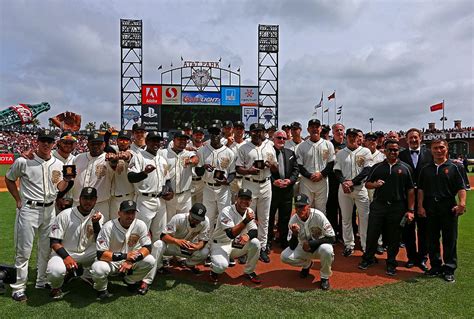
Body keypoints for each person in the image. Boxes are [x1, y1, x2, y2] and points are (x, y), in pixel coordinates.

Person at [5, 129, 72, 302]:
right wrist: (18, 199)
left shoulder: (58, 164)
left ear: (53, 144)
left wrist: (68, 180)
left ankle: (41, 281)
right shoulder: (23, 161)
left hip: (49, 211)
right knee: (24, 250)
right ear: (37, 141)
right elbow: (9, 178)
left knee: (45, 249)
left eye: (49, 141)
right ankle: (19, 287)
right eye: (43, 140)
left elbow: (59, 188)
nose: (46, 144)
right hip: (29, 209)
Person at [358, 140, 415, 276]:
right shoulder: (378, 167)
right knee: (372, 233)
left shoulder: (406, 168)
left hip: (397, 206)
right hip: (379, 205)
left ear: (398, 151)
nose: (393, 152)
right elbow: (367, 184)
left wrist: (410, 210)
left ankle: (391, 262)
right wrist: (375, 184)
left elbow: (411, 190)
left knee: (394, 237)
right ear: (385, 150)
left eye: (395, 150)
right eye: (390, 150)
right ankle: (368, 258)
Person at [418, 139, 467, 283]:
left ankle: (449, 268)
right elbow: (420, 189)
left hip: (448, 207)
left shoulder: (455, 166)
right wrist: (420, 206)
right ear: (431, 150)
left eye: (441, 147)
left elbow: (461, 187)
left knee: (449, 239)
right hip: (430, 206)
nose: (438, 150)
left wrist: (462, 204)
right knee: (432, 238)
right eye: (435, 148)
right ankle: (435, 267)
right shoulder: (425, 169)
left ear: (447, 149)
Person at [46, 187, 103, 299]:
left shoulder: (98, 216)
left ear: (95, 200)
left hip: (86, 253)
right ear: (79, 199)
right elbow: (54, 242)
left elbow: (100, 241)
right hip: (64, 253)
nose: (88, 202)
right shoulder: (65, 215)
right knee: (55, 272)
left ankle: (87, 275)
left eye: (91, 199)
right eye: (85, 198)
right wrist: (66, 257)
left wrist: (96, 223)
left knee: (104, 253)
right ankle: (56, 287)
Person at [91, 200, 155, 299]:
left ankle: (130, 280)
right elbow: (101, 254)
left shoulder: (140, 224)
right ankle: (101, 290)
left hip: (130, 260)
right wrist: (125, 256)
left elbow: (147, 248)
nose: (130, 216)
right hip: (110, 261)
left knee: (150, 260)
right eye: (126, 213)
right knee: (98, 268)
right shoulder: (108, 226)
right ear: (119, 213)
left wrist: (130, 260)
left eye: (132, 213)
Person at [236, 123, 278, 263]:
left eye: (259, 131)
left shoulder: (269, 147)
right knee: (247, 217)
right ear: (250, 133)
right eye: (254, 131)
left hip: (266, 184)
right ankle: (244, 248)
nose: (256, 133)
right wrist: (249, 170)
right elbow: (238, 169)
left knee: (264, 218)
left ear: (263, 133)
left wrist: (270, 165)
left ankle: (262, 248)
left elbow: (276, 169)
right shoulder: (244, 147)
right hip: (250, 183)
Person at [280, 194, 335, 290]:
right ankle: (307, 264)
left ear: (308, 206)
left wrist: (312, 244)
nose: (300, 209)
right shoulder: (293, 220)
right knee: (284, 256)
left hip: (319, 248)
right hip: (303, 249)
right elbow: (292, 247)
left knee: (328, 249)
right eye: (297, 206)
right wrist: (294, 234)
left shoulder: (318, 216)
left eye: (302, 206)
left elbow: (332, 238)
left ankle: (324, 277)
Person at [145, 203, 210, 284]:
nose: (196, 221)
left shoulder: (205, 222)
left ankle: (189, 264)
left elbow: (203, 240)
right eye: (194, 218)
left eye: (198, 219)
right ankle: (156, 270)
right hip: (172, 246)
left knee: (205, 251)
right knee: (158, 244)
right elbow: (163, 236)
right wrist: (177, 241)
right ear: (189, 212)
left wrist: (197, 247)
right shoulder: (179, 218)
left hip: (187, 247)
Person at [209, 189, 262, 284]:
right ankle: (213, 269)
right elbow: (230, 234)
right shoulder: (226, 211)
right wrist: (246, 220)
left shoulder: (249, 211)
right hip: (220, 244)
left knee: (255, 243)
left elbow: (254, 231)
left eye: (247, 199)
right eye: (242, 198)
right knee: (220, 267)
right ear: (236, 198)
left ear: (251, 201)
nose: (244, 201)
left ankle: (249, 271)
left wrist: (248, 236)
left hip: (235, 245)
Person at [128, 131, 173, 242]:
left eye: (158, 141)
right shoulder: (139, 157)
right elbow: (131, 177)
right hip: (144, 200)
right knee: (140, 234)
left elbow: (167, 180)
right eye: (153, 141)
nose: (156, 143)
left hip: (160, 201)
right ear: (147, 142)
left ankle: (156, 259)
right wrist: (144, 173)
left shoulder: (162, 159)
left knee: (160, 234)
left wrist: (170, 191)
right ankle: (138, 258)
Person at [398, 128, 433, 271]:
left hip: (426, 199)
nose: (413, 140)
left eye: (415, 137)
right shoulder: (400, 155)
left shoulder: (430, 154)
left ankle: (423, 258)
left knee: (424, 230)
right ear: (406, 140)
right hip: (407, 199)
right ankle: (411, 257)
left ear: (421, 138)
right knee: (408, 231)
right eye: (410, 138)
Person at [334, 128, 372, 256]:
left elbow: (367, 170)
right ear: (346, 137)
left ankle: (365, 245)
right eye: (350, 135)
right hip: (344, 189)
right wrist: (344, 182)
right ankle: (349, 244)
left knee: (364, 218)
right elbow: (337, 170)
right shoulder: (340, 153)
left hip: (360, 188)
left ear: (358, 137)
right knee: (346, 218)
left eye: (354, 135)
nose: (352, 138)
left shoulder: (365, 151)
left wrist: (352, 182)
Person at [196, 122, 236, 238]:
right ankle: (207, 244)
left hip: (223, 189)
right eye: (212, 133)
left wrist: (227, 181)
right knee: (208, 217)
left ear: (221, 134)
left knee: (224, 216)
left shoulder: (229, 152)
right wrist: (203, 167)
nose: (214, 136)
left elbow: (232, 173)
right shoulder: (202, 150)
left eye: (217, 133)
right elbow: (198, 173)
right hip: (208, 188)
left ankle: (222, 242)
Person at [296, 119, 335, 213]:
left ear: (320, 129)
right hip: (306, 181)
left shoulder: (328, 144)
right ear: (308, 129)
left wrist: (321, 174)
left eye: (317, 127)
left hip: (322, 181)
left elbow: (331, 163)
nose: (315, 129)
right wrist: (309, 176)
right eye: (312, 127)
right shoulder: (301, 146)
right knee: (306, 208)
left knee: (321, 209)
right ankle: (306, 228)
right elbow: (299, 165)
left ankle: (319, 228)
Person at [268, 130, 299, 249]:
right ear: (273, 139)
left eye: (284, 138)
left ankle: (283, 239)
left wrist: (290, 181)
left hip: (287, 190)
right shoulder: (269, 153)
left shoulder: (290, 152)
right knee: (270, 216)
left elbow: (296, 170)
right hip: (272, 190)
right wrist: (273, 181)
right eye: (279, 138)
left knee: (285, 217)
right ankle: (268, 241)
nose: (281, 140)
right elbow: (265, 171)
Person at [72, 132, 113, 221]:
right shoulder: (78, 158)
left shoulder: (108, 159)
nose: (95, 146)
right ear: (88, 144)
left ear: (104, 144)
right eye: (93, 143)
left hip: (100, 204)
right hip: (78, 203)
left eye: (99, 144)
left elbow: (115, 166)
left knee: (100, 233)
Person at [161, 132, 199, 222]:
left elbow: (196, 159)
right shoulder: (163, 153)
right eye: (180, 139)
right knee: (168, 224)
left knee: (184, 222)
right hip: (169, 196)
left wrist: (190, 161)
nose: (182, 141)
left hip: (185, 196)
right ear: (173, 140)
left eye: (184, 140)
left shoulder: (188, 153)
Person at [107, 130, 135, 219]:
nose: (123, 142)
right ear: (117, 140)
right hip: (112, 199)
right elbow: (105, 147)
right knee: (112, 225)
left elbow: (129, 156)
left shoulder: (133, 153)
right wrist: (108, 134)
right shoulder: (113, 150)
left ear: (130, 142)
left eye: (126, 140)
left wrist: (126, 156)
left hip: (127, 196)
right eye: (121, 140)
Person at [326, 123, 345, 241]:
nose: (339, 132)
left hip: (344, 180)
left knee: (345, 210)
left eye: (341, 130)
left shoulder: (348, 145)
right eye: (336, 130)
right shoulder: (329, 145)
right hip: (332, 180)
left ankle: (344, 234)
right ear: (333, 133)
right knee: (332, 208)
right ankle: (333, 232)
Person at [53, 131, 77, 212]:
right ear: (59, 143)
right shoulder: (50, 156)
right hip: (51, 201)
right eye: (65, 142)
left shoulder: (75, 159)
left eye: (71, 143)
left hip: (70, 201)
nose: (68, 145)